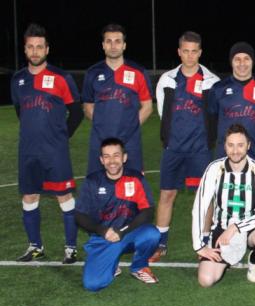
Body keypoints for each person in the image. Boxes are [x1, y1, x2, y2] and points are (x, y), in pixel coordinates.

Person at [11, 23, 83, 263]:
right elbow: (20, 111)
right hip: (28, 152)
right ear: (25, 49)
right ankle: (35, 247)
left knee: (65, 197)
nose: (35, 51)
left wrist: (62, 136)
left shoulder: (61, 78)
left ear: (47, 49)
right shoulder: (18, 80)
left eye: (39, 47)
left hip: (55, 152)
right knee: (29, 197)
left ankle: (71, 248)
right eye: (30, 47)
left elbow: (76, 111)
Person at [149, 31, 220, 262]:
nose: (190, 56)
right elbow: (162, 112)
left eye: (194, 51)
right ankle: (160, 243)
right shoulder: (167, 80)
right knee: (167, 194)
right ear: (179, 52)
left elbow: (215, 115)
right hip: (174, 149)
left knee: (205, 197)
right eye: (185, 51)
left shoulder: (212, 81)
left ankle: (205, 242)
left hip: (200, 149)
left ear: (200, 52)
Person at [192, 124, 255, 286]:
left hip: (252, 228)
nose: (235, 150)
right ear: (224, 146)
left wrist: (235, 228)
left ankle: (254, 260)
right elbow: (199, 207)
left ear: (248, 145)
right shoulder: (214, 169)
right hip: (222, 228)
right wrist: (199, 246)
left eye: (240, 145)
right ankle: (228, 258)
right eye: (230, 145)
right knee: (206, 280)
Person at [74, 138, 160, 291]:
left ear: (124, 157)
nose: (111, 161)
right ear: (101, 160)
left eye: (116, 155)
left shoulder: (135, 178)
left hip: (128, 233)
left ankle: (139, 266)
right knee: (92, 284)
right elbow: (79, 215)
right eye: (106, 156)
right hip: (102, 238)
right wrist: (103, 231)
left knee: (152, 234)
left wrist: (123, 231)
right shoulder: (92, 181)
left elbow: (148, 211)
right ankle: (112, 264)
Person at [83, 24, 153, 174]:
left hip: (130, 142)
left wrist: (129, 128)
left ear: (124, 45)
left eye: (117, 41)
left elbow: (147, 106)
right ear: (103, 45)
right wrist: (104, 127)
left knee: (133, 188)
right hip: (100, 140)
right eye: (109, 41)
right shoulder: (92, 73)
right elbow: (88, 106)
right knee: (98, 187)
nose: (113, 45)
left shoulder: (138, 72)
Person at [208, 42, 255, 165]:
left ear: (252, 61)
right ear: (231, 62)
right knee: (225, 184)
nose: (242, 63)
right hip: (225, 153)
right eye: (237, 59)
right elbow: (212, 119)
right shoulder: (218, 89)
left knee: (254, 184)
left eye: (246, 59)